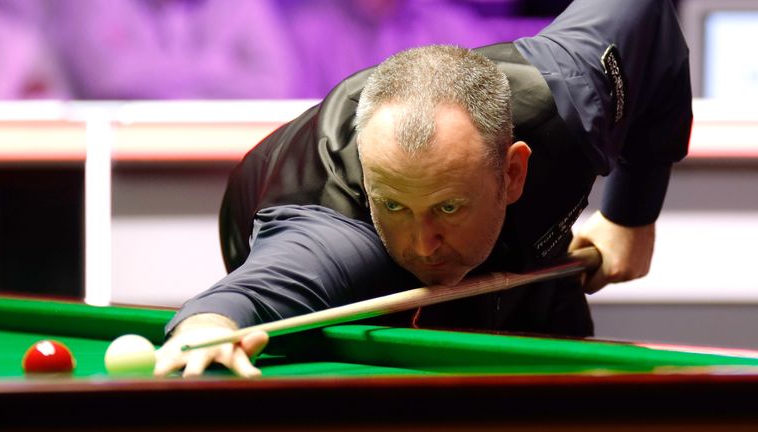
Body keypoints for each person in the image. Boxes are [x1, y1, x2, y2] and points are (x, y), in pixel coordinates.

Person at [155, 0, 692, 378]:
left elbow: (646, 15)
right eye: (395, 205)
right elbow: (252, 294)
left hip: (514, 230)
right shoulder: (340, 239)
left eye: (447, 207)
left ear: (512, 173)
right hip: (329, 245)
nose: (422, 243)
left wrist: (632, 216)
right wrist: (207, 325)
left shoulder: (572, 96)